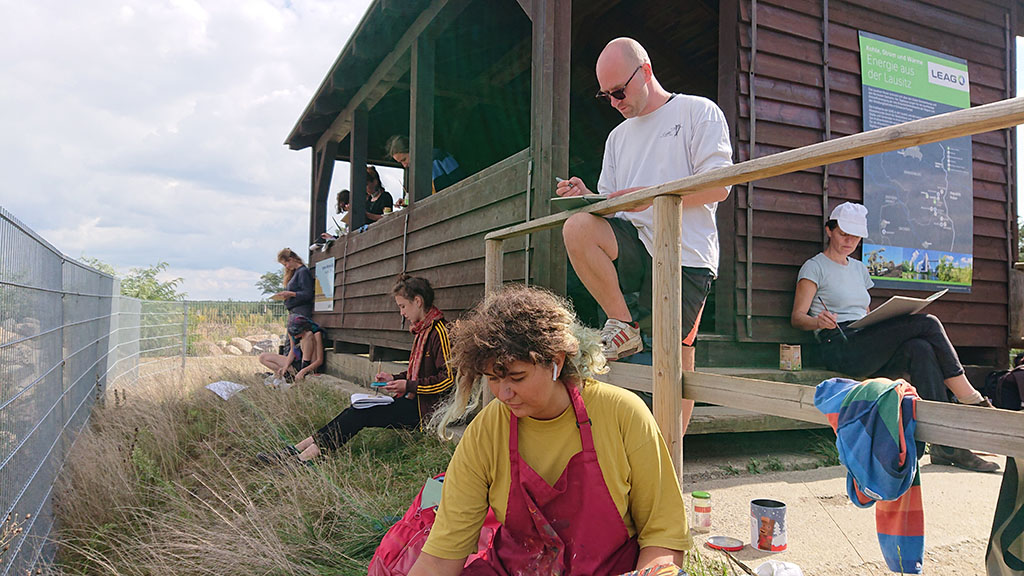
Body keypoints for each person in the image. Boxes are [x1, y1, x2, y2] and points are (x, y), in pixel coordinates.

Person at [408, 285, 690, 576]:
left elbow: (663, 537)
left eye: (517, 377)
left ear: (556, 361)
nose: (503, 394)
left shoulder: (623, 414)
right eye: (493, 378)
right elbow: (442, 555)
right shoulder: (486, 431)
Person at [556, 37, 733, 370]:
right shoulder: (617, 137)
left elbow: (719, 185)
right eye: (605, 95)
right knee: (577, 227)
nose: (613, 102)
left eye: (619, 92)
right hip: (634, 248)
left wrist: (651, 195)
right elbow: (612, 205)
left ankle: (673, 427)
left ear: (646, 71)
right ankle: (623, 323)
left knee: (676, 364)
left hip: (684, 255)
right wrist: (586, 199)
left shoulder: (699, 111)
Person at [791, 201, 999, 473]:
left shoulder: (859, 269)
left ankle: (948, 447)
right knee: (928, 322)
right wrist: (817, 321)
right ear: (830, 230)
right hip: (838, 343)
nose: (849, 241)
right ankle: (969, 396)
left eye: (855, 237)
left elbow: (863, 313)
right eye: (843, 234)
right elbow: (797, 317)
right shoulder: (814, 267)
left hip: (865, 338)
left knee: (920, 348)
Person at [262, 275, 452, 464]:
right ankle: (297, 449)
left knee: (361, 413)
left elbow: (447, 381)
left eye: (403, 306)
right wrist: (393, 378)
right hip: (414, 401)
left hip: (427, 410)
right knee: (356, 408)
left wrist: (408, 385)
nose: (401, 313)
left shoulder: (440, 332)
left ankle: (304, 458)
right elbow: (418, 373)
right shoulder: (422, 330)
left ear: (418, 301)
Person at [385, 134, 463, 200]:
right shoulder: (417, 171)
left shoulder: (439, 156)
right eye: (400, 162)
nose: (404, 165)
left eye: (404, 159)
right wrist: (407, 202)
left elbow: (460, 181)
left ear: (412, 149)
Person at [257, 315, 324, 382]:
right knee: (263, 357)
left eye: (297, 334)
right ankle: (287, 376)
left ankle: (303, 374)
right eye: (293, 335)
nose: (295, 337)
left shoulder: (316, 333)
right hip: (297, 361)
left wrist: (303, 371)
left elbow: (319, 360)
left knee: (308, 335)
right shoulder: (291, 332)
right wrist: (285, 367)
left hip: (308, 365)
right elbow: (293, 350)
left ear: (304, 329)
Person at [273, 248, 314, 319]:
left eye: (285, 264)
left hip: (301, 311)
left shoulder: (303, 272)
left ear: (291, 259)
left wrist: (291, 294)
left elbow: (308, 294)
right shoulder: (295, 273)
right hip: (294, 312)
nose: (286, 267)